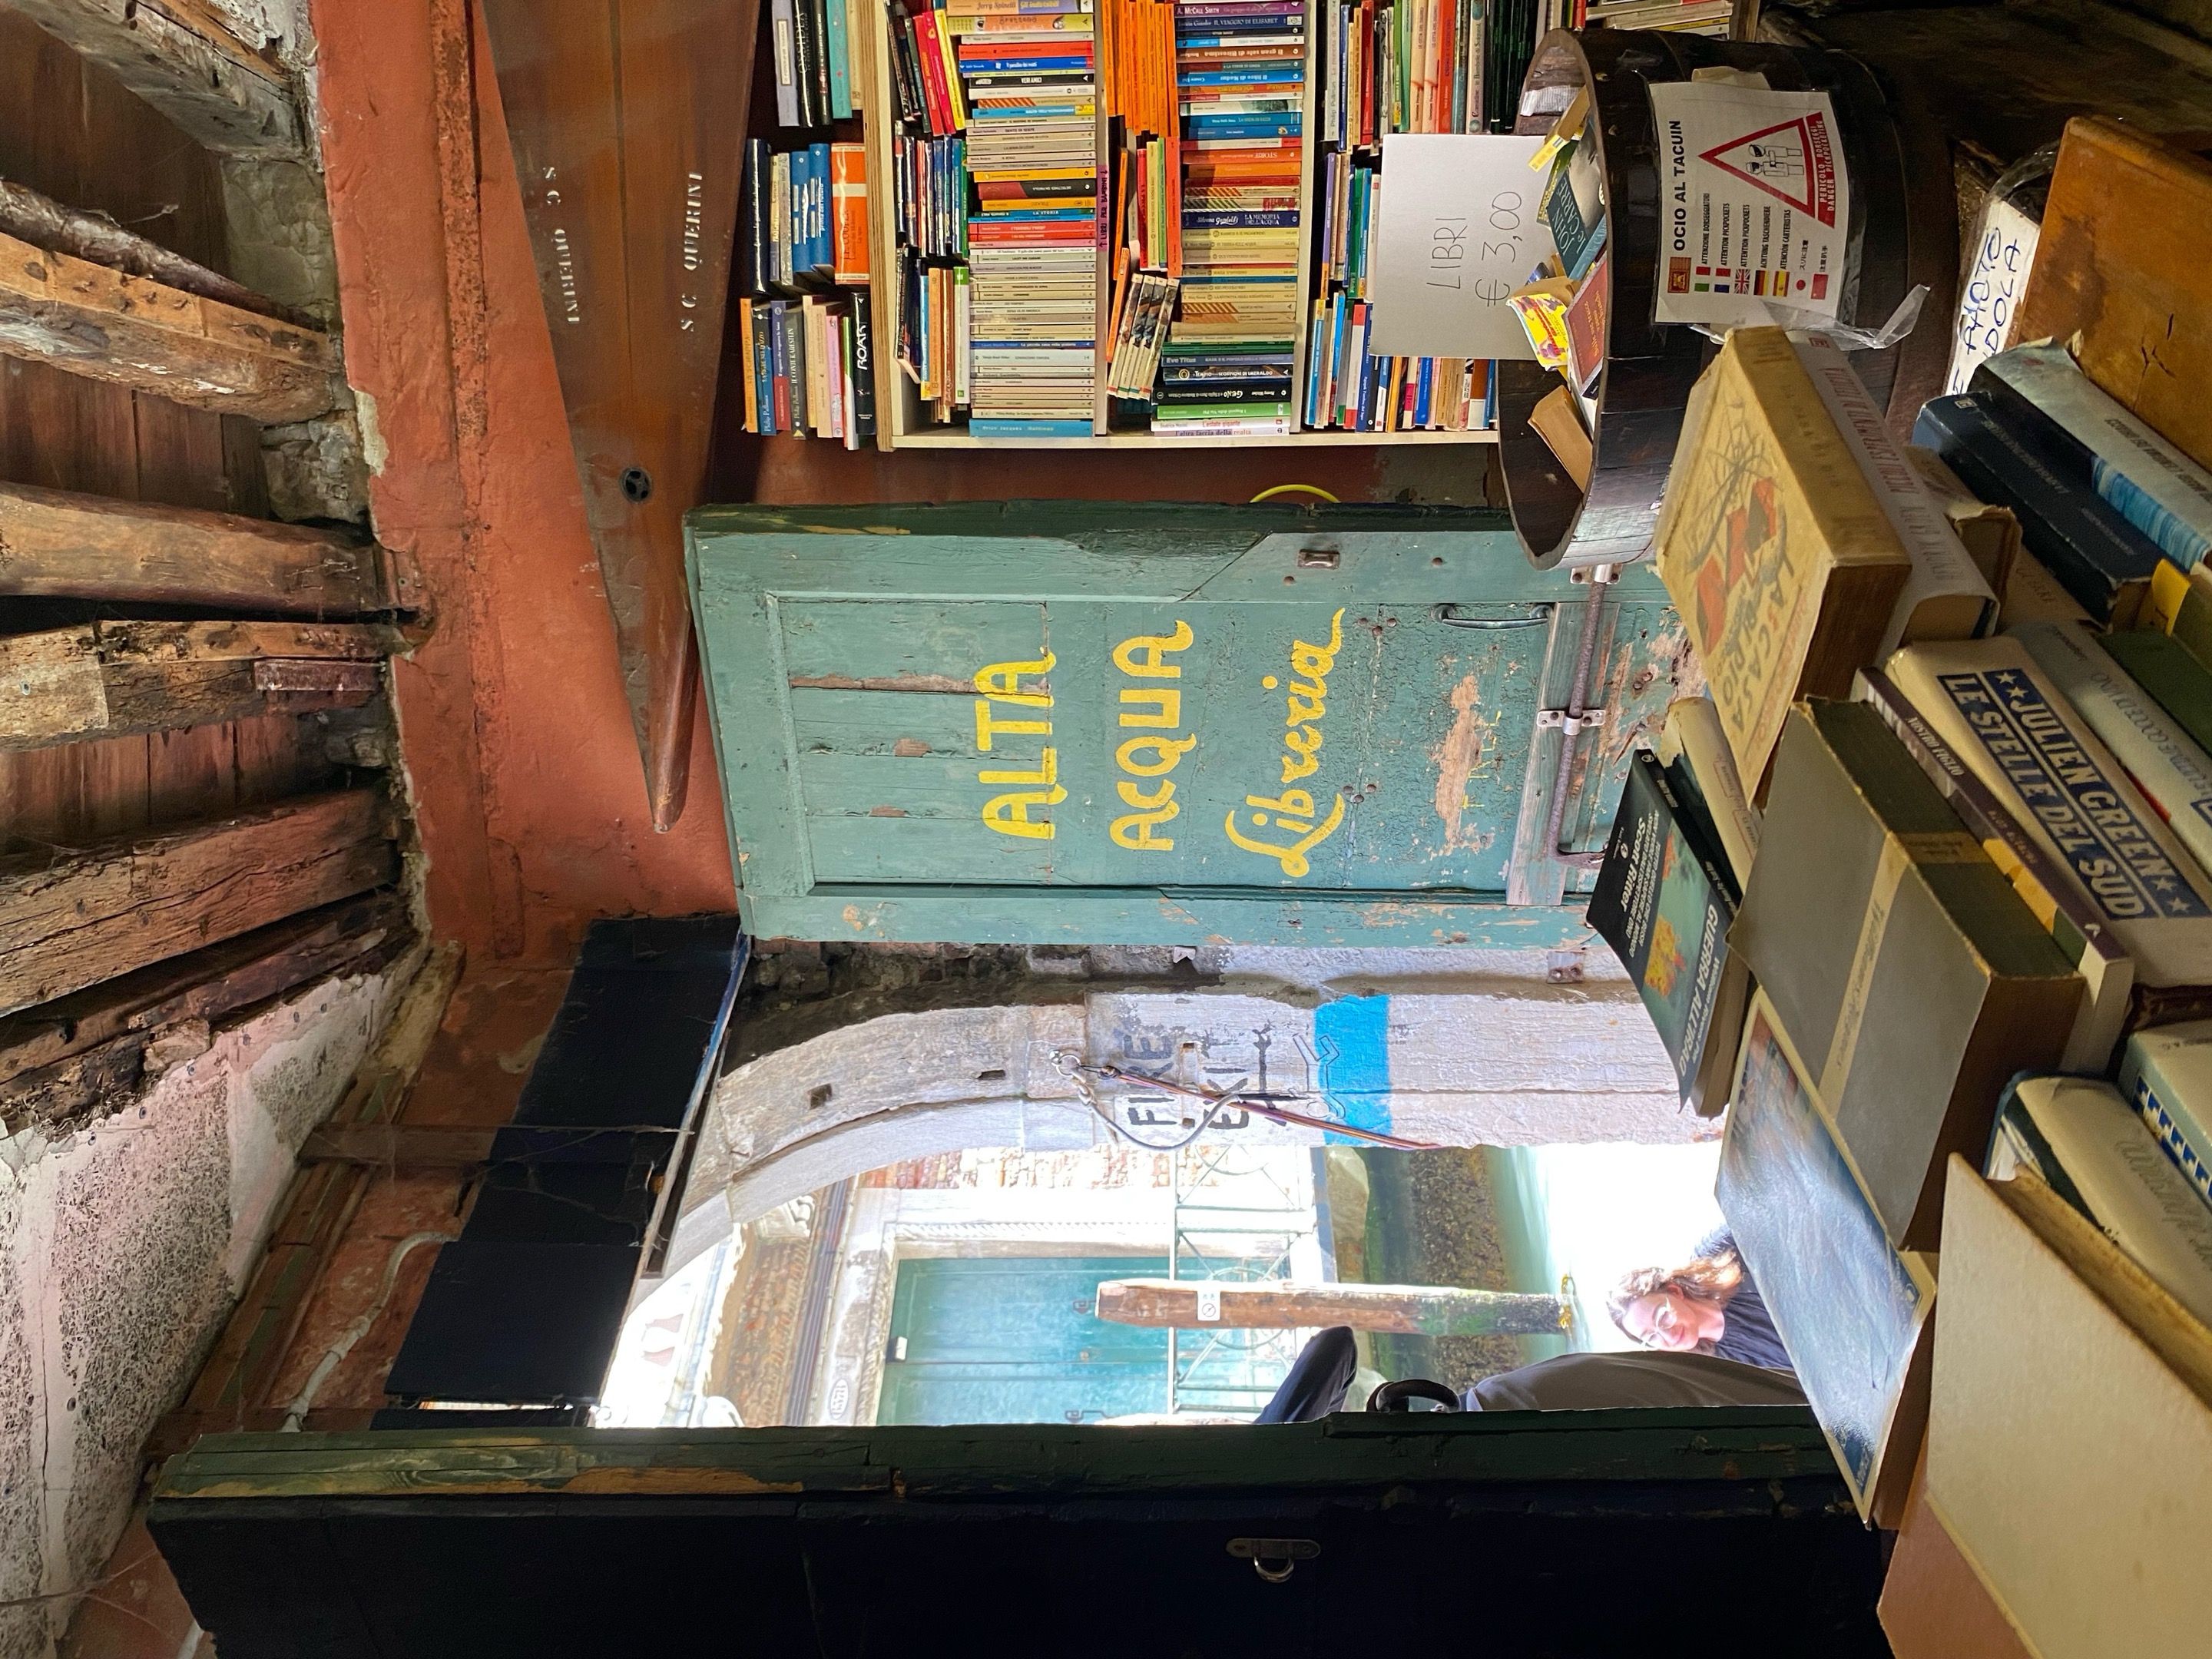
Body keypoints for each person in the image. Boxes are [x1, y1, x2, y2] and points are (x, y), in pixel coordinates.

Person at [1606, 1227, 1793, 1374]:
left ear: (1674, 1291)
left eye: (1662, 1318)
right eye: (1652, 1337)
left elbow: (1774, 1204)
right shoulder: (1726, 1369)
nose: (1668, 1336)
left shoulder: (1718, 1254)